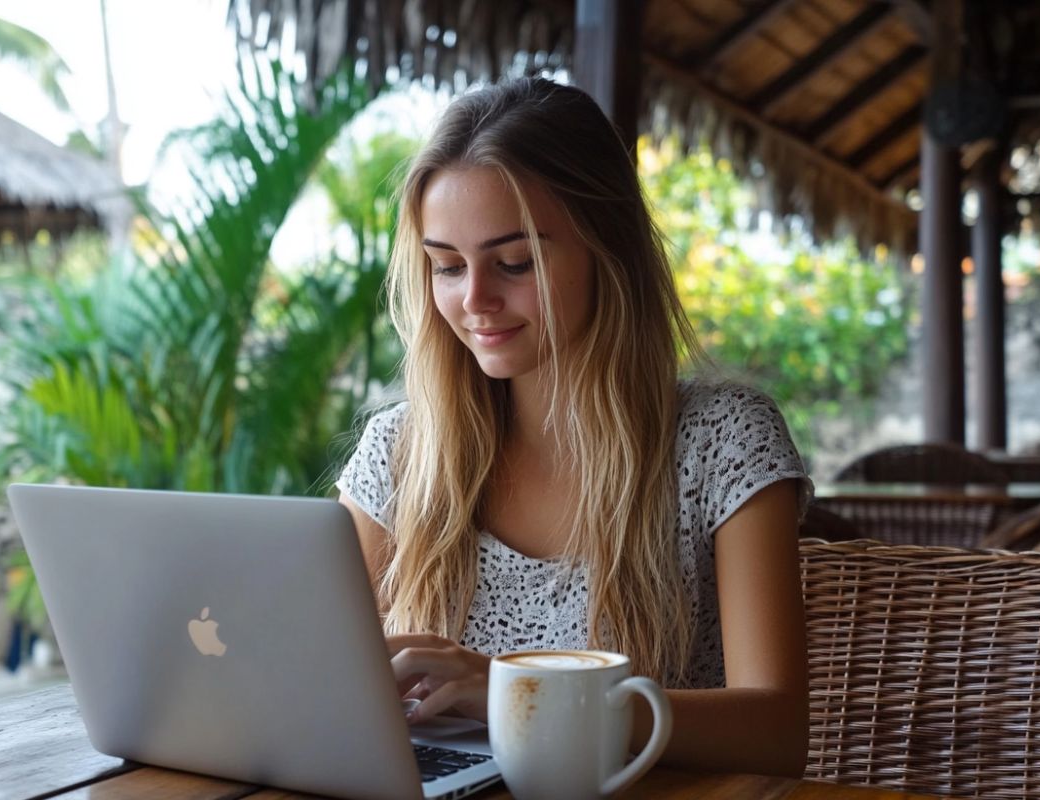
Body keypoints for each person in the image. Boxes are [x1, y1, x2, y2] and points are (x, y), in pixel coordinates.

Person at [335, 77, 812, 778]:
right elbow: (306, 671)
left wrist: (516, 693)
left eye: (515, 262)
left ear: (606, 245)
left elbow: (775, 730)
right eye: (446, 266)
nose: (474, 301)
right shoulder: (402, 451)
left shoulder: (723, 442)